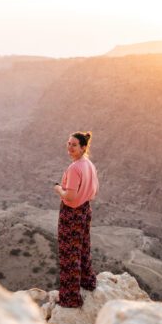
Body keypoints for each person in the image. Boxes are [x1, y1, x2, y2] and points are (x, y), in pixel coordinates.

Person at [52, 131, 99, 308]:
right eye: (68, 143)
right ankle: (88, 281)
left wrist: (58, 189)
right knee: (83, 248)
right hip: (85, 210)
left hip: (71, 214)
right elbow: (94, 189)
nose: (70, 147)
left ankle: (70, 298)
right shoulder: (89, 164)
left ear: (83, 147)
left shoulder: (75, 168)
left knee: (68, 255)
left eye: (74, 145)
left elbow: (69, 197)